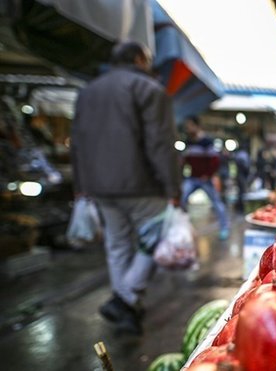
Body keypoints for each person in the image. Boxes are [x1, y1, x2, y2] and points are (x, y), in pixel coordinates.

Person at [71, 41, 181, 335]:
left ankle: (127, 307)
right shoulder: (148, 89)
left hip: (99, 186)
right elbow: (160, 144)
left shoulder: (88, 92)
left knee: (117, 244)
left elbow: (77, 143)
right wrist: (173, 187)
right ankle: (126, 298)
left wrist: (81, 185)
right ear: (138, 59)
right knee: (157, 237)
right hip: (141, 183)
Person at [181, 117, 230, 240]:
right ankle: (181, 228)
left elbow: (215, 160)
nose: (188, 129)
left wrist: (208, 175)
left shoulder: (207, 141)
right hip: (193, 177)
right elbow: (186, 160)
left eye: (190, 126)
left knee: (217, 203)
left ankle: (224, 227)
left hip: (205, 179)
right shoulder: (189, 142)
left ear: (197, 126)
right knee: (181, 199)